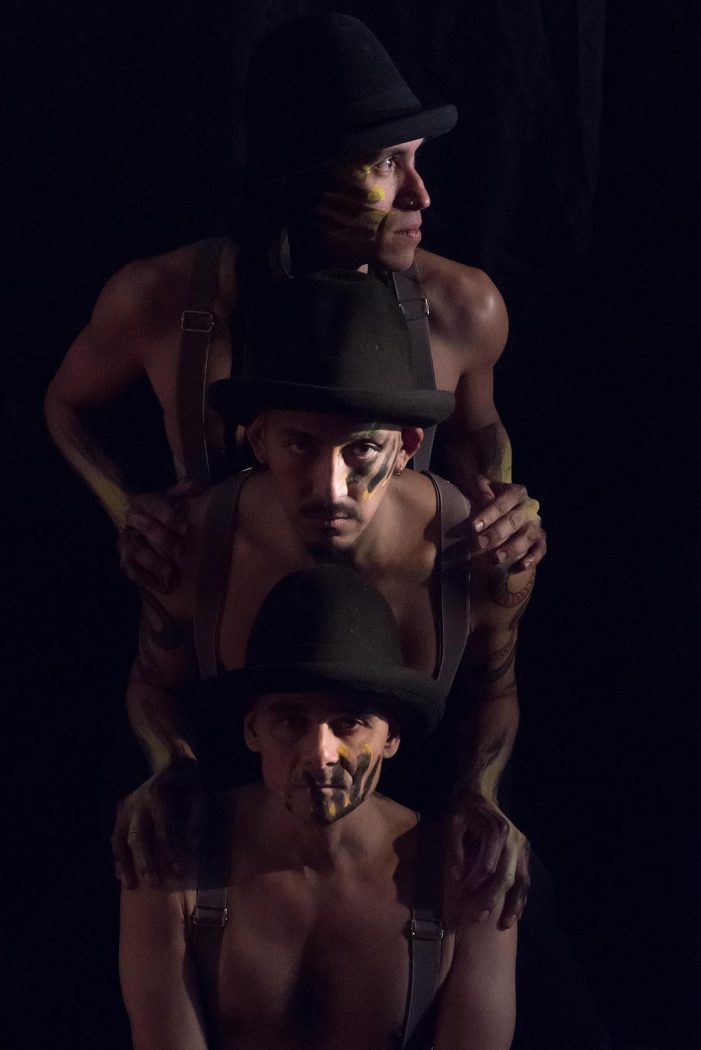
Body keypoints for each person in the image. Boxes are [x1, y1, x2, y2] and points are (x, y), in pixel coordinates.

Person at [44, 12, 545, 595]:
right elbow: (67, 404)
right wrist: (128, 509)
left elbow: (476, 428)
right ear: (303, 178)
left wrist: (502, 506)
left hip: (388, 627)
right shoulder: (161, 300)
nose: (420, 194)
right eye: (386, 163)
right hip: (215, 627)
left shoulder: (462, 307)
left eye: (415, 158)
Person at [113, 271, 533, 934]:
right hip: (231, 843)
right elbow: (154, 681)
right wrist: (171, 766)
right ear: (258, 440)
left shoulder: (481, 556)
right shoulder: (193, 544)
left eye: (361, 448)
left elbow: (493, 692)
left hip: (418, 849)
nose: (329, 486)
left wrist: (479, 793)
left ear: (406, 446)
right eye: (299, 444)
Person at [119, 563, 517, 1050]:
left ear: (391, 736)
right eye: (291, 720)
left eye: (349, 723)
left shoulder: (466, 875)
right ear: (252, 729)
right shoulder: (174, 858)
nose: (320, 753)